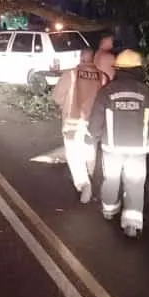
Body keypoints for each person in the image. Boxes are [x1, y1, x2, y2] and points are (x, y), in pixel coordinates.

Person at [86, 49, 149, 238]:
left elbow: (96, 120)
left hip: (112, 147)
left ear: (118, 69)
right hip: (138, 148)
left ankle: (109, 210)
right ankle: (132, 223)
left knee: (111, 179)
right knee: (135, 182)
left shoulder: (107, 92)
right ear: (138, 69)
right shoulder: (147, 93)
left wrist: (91, 139)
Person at [52, 48, 109, 203]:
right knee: (90, 151)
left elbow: (57, 97)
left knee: (73, 154)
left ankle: (84, 183)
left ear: (81, 58)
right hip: (94, 123)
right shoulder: (103, 77)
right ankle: (91, 178)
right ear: (93, 60)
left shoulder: (71, 74)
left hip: (72, 122)